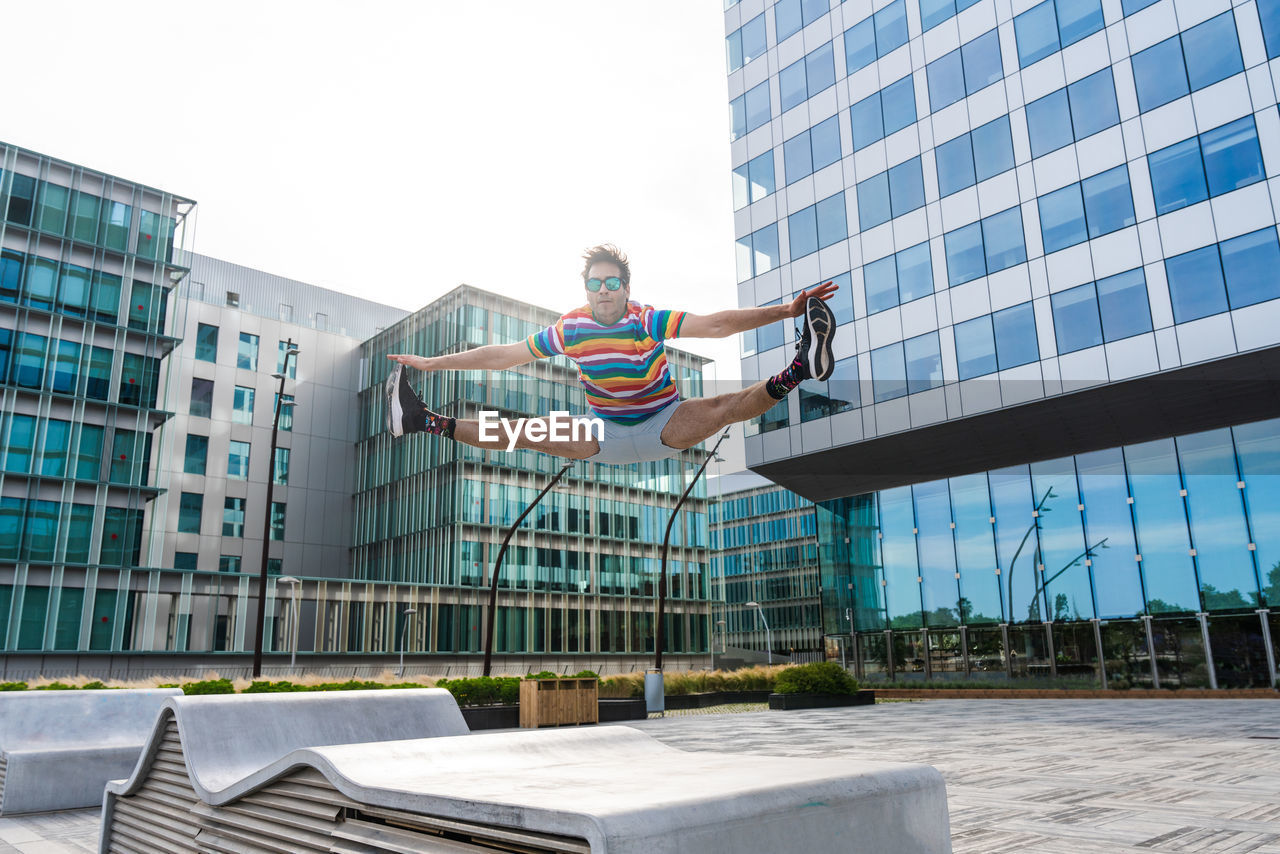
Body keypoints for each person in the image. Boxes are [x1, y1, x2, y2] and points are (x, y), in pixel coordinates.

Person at [385, 244, 837, 465]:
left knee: (724, 406)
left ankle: (801, 366)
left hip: (665, 421)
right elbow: (503, 356)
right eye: (595, 283)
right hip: (602, 434)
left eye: (612, 282)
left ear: (626, 288)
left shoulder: (646, 320)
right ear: (586, 289)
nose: (603, 290)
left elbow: (715, 325)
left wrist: (786, 310)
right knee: (521, 430)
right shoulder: (571, 328)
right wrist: (431, 363)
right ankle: (422, 420)